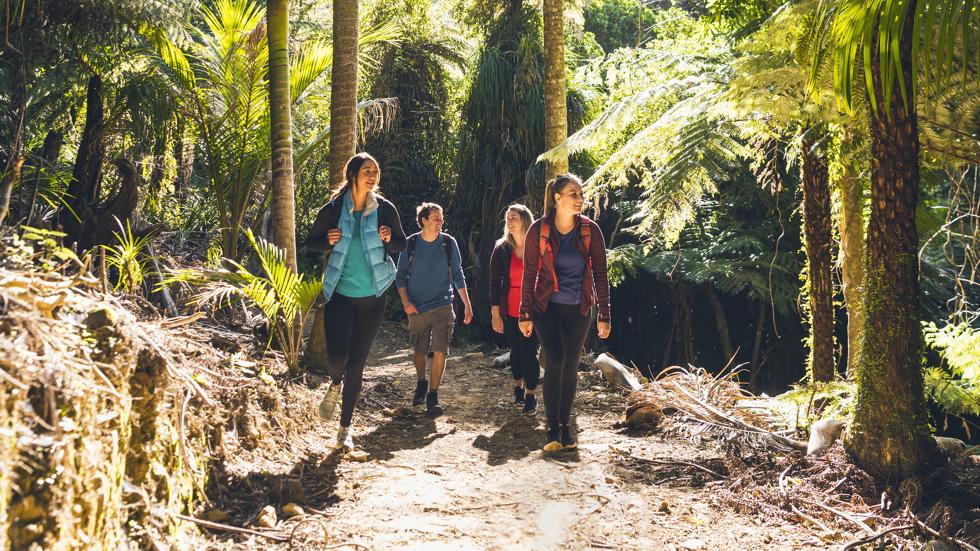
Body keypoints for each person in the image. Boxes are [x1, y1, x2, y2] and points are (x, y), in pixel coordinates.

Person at [305, 152, 407, 451]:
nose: (373, 175)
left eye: (376, 170)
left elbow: (402, 243)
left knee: (357, 364)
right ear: (353, 175)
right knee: (337, 361)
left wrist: (389, 239)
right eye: (367, 170)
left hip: (373, 295)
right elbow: (311, 242)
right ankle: (335, 383)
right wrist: (329, 240)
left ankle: (344, 430)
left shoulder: (385, 210)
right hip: (339, 293)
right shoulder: (335, 209)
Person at [519, 174, 611, 452]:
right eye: (574, 194)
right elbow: (530, 273)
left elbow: (600, 273)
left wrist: (604, 314)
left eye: (581, 194)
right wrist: (525, 313)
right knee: (556, 359)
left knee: (571, 365)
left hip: (580, 307)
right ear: (557, 197)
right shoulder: (539, 230)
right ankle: (551, 429)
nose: (581, 199)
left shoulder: (590, 230)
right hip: (546, 307)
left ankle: (566, 427)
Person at [396, 203, 473, 416]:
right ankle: (422, 382)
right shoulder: (410, 243)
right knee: (420, 352)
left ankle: (433, 395)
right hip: (417, 307)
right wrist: (405, 301)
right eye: (436, 218)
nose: (441, 222)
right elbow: (400, 275)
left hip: (443, 303)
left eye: (441, 218)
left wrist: (466, 303)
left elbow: (457, 274)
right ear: (424, 221)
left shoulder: (449, 243)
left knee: (441, 349)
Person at [489, 204, 540, 415]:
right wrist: (495, 315)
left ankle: (531, 395)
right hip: (510, 311)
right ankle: (518, 386)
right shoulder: (501, 249)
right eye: (507, 218)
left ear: (525, 220)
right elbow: (494, 284)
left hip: (534, 311)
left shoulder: (538, 246)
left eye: (513, 218)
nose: (509, 222)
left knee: (529, 352)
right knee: (516, 352)